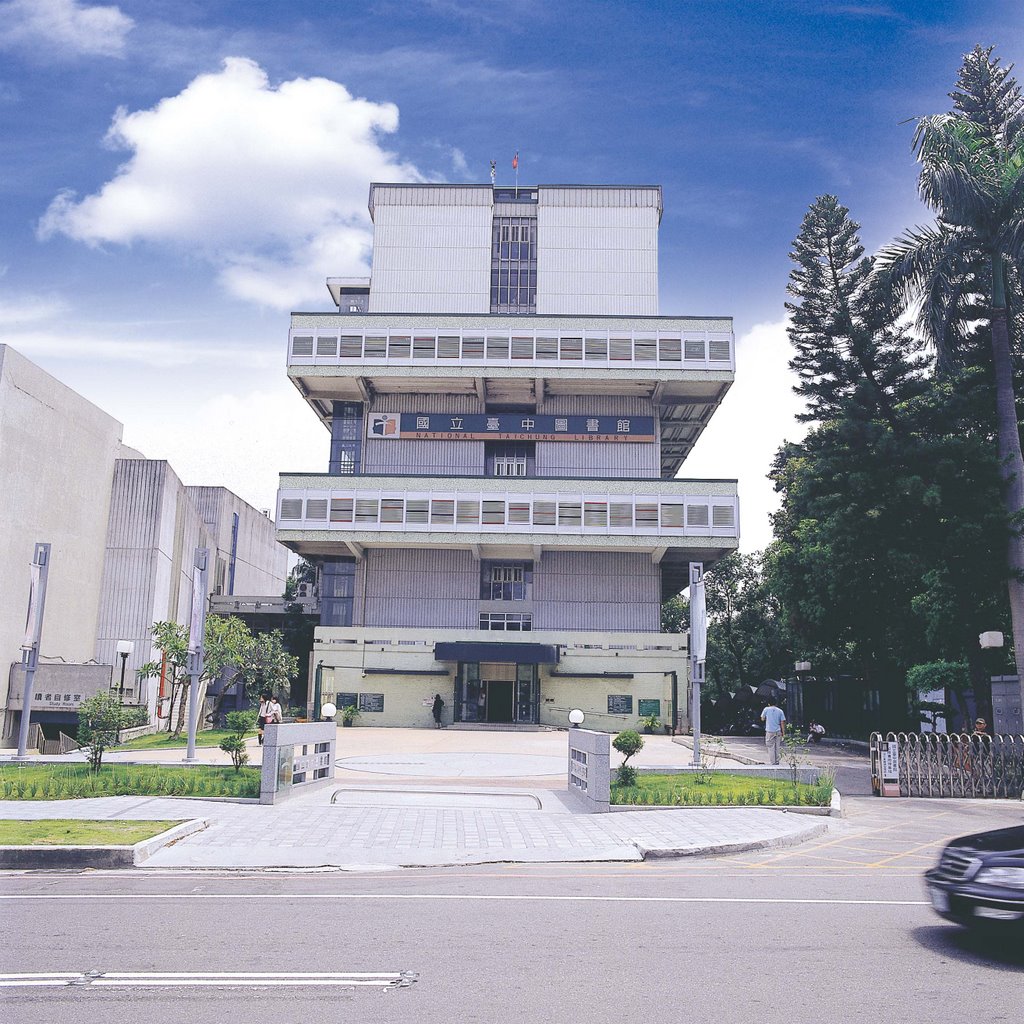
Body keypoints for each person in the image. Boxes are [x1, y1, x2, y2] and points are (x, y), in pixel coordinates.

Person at [760, 698, 786, 765]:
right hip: (778, 731)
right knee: (777, 747)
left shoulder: (766, 709)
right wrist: (783, 733)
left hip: (769, 731)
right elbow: (782, 722)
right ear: (776, 703)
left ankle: (773, 762)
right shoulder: (780, 711)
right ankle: (777, 761)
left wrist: (767, 717)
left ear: (769, 704)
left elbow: (762, 718)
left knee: (771, 746)